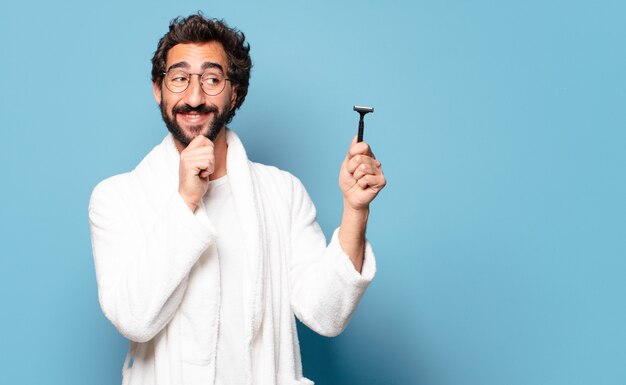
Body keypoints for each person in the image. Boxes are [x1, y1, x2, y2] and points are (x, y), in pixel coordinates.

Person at [88, 13, 386, 385]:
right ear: (158, 89)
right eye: (179, 79)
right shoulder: (117, 199)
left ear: (235, 93)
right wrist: (185, 201)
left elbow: (325, 314)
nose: (194, 97)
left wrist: (355, 211)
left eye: (212, 80)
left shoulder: (282, 193)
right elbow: (133, 317)